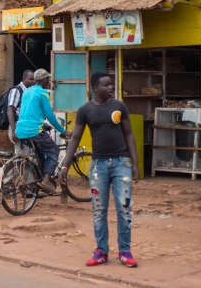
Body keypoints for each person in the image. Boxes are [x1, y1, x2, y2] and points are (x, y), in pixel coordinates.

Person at [59, 72, 140, 268]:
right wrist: (65, 164)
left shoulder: (119, 106)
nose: (111, 88)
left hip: (122, 163)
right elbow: (76, 138)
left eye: (111, 84)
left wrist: (135, 163)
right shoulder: (85, 110)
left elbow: (129, 134)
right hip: (98, 166)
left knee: (124, 208)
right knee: (99, 210)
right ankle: (101, 251)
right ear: (96, 88)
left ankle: (125, 252)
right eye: (106, 85)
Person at [13, 69, 70, 194]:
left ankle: (40, 180)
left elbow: (28, 113)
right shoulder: (43, 93)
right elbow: (50, 115)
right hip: (34, 131)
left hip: (21, 130)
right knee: (54, 150)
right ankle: (46, 180)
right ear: (43, 80)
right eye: (47, 79)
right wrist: (62, 130)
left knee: (40, 154)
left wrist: (43, 125)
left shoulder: (27, 92)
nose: (48, 81)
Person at [7, 70, 35, 142]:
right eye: (31, 79)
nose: (33, 81)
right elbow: (10, 110)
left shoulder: (30, 91)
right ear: (24, 79)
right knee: (22, 152)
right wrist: (14, 131)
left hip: (26, 128)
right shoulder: (17, 90)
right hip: (17, 127)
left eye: (34, 79)